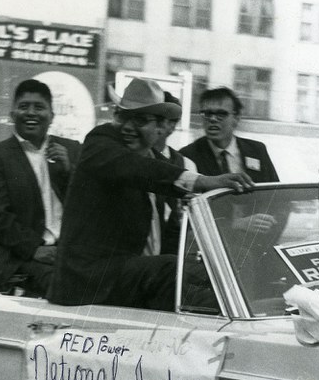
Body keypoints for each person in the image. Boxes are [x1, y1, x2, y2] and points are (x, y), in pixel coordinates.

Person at [46, 77, 254, 311]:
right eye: (122, 116)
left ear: (162, 128)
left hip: (121, 281)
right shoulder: (101, 141)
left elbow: (172, 223)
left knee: (210, 271)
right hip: (83, 285)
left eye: (140, 120)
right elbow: (138, 170)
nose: (127, 127)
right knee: (170, 270)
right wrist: (204, 181)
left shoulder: (158, 162)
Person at [0, 79, 81, 296]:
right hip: (20, 259)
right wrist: (34, 249)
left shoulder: (72, 150)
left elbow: (90, 206)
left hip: (70, 255)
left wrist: (69, 171)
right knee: (66, 287)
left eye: (39, 107)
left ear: (52, 115)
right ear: (12, 114)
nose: (31, 113)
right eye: (24, 107)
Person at [181, 86, 280, 235]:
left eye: (221, 114)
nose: (213, 119)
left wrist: (266, 237)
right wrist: (235, 225)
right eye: (207, 114)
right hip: (214, 248)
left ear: (236, 118)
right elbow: (187, 216)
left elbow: (278, 200)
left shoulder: (257, 150)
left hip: (258, 242)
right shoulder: (187, 156)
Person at [153, 91, 197, 254]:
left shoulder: (186, 165)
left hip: (170, 252)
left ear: (172, 125)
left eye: (158, 119)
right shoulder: (130, 159)